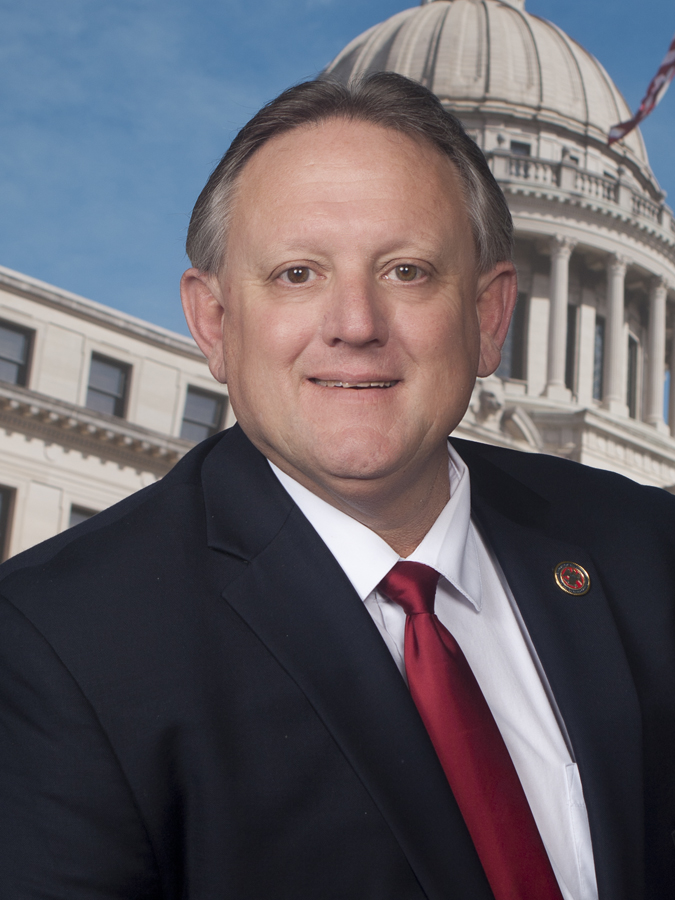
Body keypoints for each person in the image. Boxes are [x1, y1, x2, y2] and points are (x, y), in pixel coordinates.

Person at [0, 73, 673, 900]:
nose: (354, 324)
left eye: (408, 270)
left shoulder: (648, 552)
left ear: (490, 315)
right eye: (295, 274)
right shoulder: (52, 644)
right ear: (213, 323)